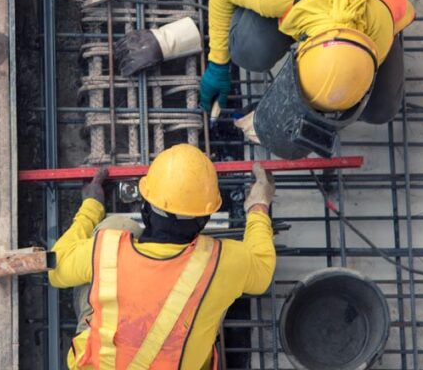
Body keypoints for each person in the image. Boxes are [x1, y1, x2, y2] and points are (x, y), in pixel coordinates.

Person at [115, 0, 414, 158]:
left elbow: (337, 87)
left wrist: (279, 117)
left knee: (382, 108)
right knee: (247, 49)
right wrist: (218, 62)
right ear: (302, 47)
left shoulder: (383, 27)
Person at [49, 144, 276, 369]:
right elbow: (263, 270)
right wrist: (259, 205)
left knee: (115, 226)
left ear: (145, 208)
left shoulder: (106, 250)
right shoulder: (223, 262)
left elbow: (56, 269)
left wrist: (91, 206)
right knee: (215, 289)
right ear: (205, 219)